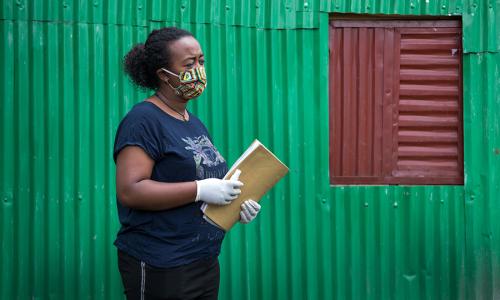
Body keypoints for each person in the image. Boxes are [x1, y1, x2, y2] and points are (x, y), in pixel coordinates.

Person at [114, 27, 261, 300]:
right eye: (189, 63)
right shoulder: (143, 120)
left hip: (203, 260)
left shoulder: (192, 122)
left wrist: (235, 206)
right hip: (161, 263)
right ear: (163, 75)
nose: (199, 70)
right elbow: (130, 190)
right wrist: (199, 189)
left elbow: (202, 184)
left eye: (201, 61)